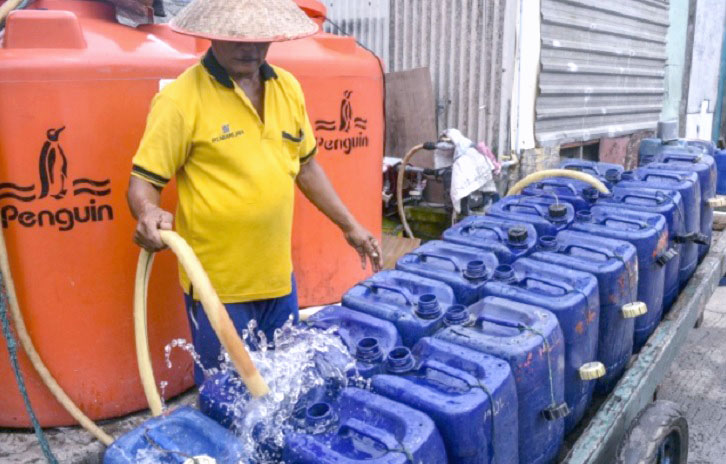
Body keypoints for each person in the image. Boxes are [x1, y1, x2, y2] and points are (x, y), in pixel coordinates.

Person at [127, 0, 382, 385]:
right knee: (227, 394)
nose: (251, 48)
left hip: (278, 278)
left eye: (260, 38)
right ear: (212, 33)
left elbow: (307, 165)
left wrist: (350, 226)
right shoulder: (180, 100)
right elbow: (143, 181)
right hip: (218, 287)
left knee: (283, 388)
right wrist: (147, 212)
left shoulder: (287, 88)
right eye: (238, 38)